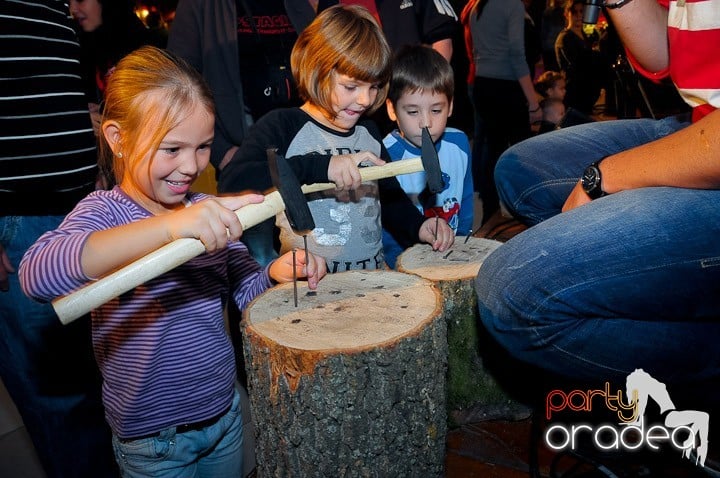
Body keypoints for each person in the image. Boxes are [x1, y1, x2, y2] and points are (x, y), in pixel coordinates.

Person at [19, 45, 327, 477]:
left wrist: (276, 274)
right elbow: (37, 274)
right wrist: (168, 228)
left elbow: (246, 290)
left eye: (202, 147)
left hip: (223, 416)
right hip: (153, 441)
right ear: (118, 139)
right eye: (171, 149)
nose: (190, 166)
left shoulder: (202, 208)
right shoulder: (105, 212)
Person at [476, 0, 720, 414]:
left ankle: (705, 363)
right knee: (519, 171)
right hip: (702, 121)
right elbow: (666, 51)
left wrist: (604, 177)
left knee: (512, 293)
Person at [218, 5, 454, 274]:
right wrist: (323, 167)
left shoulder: (369, 132)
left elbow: (390, 200)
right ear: (317, 69)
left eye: (374, 87)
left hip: (372, 282)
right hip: (312, 290)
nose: (365, 100)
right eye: (351, 86)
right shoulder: (282, 126)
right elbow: (232, 182)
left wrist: (419, 225)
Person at [0, 1, 118, 476]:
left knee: (101, 381)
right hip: (18, 223)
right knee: (61, 405)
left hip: (79, 210)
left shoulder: (52, 4)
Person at [168, 0, 304, 266]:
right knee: (257, 263)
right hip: (244, 162)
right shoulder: (200, 6)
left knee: (307, 258)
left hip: (300, 155)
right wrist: (221, 151)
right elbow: (179, 83)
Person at [381, 45, 473, 268]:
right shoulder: (384, 155)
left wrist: (463, 241)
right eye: (413, 112)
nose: (426, 123)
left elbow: (467, 199)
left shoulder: (459, 143)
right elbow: (387, 223)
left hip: (451, 255)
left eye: (436, 110)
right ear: (392, 110)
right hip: (404, 261)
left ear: (450, 106)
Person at [461, 0, 542, 224]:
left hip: (483, 85)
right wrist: (533, 102)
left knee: (492, 150)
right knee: (522, 153)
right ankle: (526, 211)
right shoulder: (511, 5)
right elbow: (517, 55)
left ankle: (491, 211)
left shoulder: (477, 6)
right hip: (506, 87)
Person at [70, 0, 164, 140]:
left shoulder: (147, 50)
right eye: (70, 3)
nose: (73, 9)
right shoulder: (85, 48)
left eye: (80, 1)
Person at [554, 0, 605, 115]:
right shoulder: (565, 38)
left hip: (590, 93)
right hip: (575, 94)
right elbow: (579, 64)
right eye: (574, 12)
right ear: (567, 14)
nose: (578, 15)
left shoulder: (589, 35)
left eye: (582, 11)